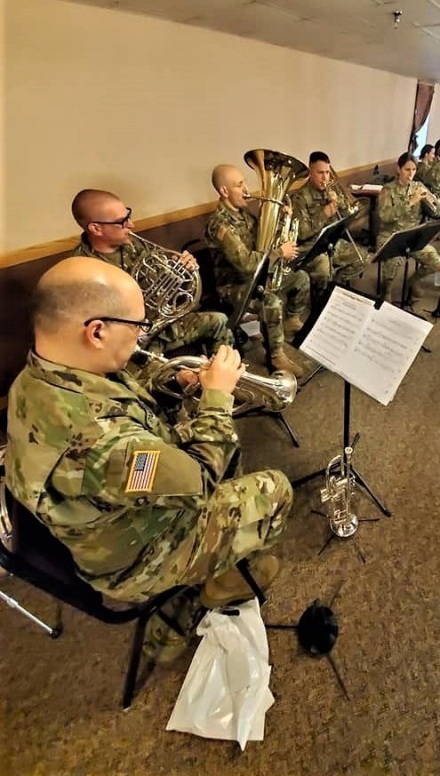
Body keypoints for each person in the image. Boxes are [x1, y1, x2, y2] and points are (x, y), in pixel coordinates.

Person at [5, 258, 293, 616]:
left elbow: (116, 401)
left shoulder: (36, 377)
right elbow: (200, 480)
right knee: (276, 488)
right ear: (96, 332)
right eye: (138, 326)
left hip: (108, 517)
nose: (142, 335)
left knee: (226, 453)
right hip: (140, 559)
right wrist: (218, 396)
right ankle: (220, 582)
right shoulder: (100, 441)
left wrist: (176, 379)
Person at [71, 189, 233, 356]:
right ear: (96, 228)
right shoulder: (80, 270)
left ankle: (225, 376)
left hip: (164, 324)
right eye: (122, 221)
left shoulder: (133, 244)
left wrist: (183, 269)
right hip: (129, 342)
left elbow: (167, 288)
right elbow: (91, 325)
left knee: (219, 321)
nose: (131, 225)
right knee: (166, 370)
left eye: (128, 216)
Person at [205, 164, 309, 377]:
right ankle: (276, 356)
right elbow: (246, 263)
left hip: (255, 277)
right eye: (239, 184)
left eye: (244, 182)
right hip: (234, 285)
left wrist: (281, 220)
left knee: (300, 278)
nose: (246, 189)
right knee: (271, 301)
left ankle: (290, 320)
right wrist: (279, 252)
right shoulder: (220, 224)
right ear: (224, 191)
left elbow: (263, 240)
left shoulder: (243, 213)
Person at [290, 151, 369, 295]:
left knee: (363, 258)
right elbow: (302, 233)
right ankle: (320, 296)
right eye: (320, 172)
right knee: (324, 270)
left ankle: (334, 289)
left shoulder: (331, 191)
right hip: (311, 248)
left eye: (327, 172)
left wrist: (339, 203)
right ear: (310, 172)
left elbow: (348, 215)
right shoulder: (300, 198)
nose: (325, 177)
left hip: (331, 241)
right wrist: (324, 214)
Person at [377, 152, 440, 303]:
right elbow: (385, 217)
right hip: (390, 234)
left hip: (413, 234)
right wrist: (410, 202)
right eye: (407, 169)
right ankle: (386, 289)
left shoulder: (418, 186)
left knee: (436, 262)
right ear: (398, 169)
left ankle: (413, 281)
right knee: (393, 260)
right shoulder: (388, 190)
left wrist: (433, 203)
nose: (411, 173)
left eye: (413, 170)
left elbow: (437, 213)